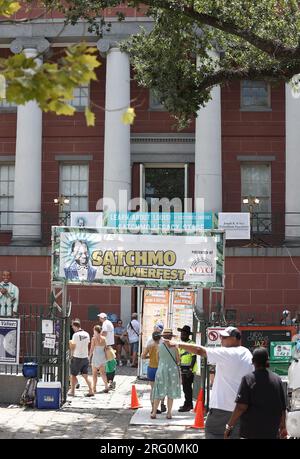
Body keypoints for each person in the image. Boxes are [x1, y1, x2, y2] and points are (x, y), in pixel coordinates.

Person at [168, 326, 253, 439]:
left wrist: (176, 344)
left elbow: (200, 350)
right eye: (221, 336)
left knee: (214, 434)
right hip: (240, 410)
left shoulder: (228, 352)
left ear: (235, 339)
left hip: (222, 409)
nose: (221, 339)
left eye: (224, 337)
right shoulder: (247, 353)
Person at [224, 347, 287, 439]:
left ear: (253, 361)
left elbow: (241, 407)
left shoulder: (248, 379)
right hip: (272, 432)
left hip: (251, 431)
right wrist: (283, 427)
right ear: (267, 361)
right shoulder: (277, 379)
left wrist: (229, 426)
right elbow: (282, 407)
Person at [151, 328, 181, 420]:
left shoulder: (159, 346)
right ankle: (169, 413)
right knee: (170, 392)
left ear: (163, 337)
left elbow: (157, 359)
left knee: (158, 391)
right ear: (171, 337)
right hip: (172, 371)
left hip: (161, 370)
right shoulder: (175, 347)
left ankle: (154, 412)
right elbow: (178, 360)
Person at [68, 319, 94, 397]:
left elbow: (73, 346)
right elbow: (87, 344)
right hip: (85, 356)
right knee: (85, 375)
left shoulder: (75, 335)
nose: (72, 328)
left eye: (72, 327)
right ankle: (91, 390)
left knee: (73, 375)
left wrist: (71, 356)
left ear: (75, 326)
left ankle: (72, 391)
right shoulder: (86, 334)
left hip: (77, 357)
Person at [142, 331, 165, 414]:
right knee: (162, 388)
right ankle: (162, 403)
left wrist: (150, 356)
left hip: (151, 368)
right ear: (160, 338)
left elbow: (142, 356)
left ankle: (153, 408)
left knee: (153, 389)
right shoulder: (163, 346)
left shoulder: (149, 346)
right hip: (160, 368)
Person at [178, 325, 197, 412]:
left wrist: (190, 369)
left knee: (188, 388)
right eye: (181, 334)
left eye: (183, 334)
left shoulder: (191, 344)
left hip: (189, 370)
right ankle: (187, 403)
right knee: (185, 388)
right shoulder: (182, 344)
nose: (182, 336)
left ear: (188, 335)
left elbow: (194, 357)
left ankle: (188, 405)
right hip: (183, 369)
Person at [89, 325, 109, 393]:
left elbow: (91, 349)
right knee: (103, 373)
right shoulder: (104, 338)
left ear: (96, 331)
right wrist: (106, 357)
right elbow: (106, 348)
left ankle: (94, 388)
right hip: (102, 357)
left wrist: (89, 357)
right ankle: (106, 386)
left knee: (94, 374)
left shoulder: (93, 339)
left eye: (94, 330)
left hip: (96, 357)